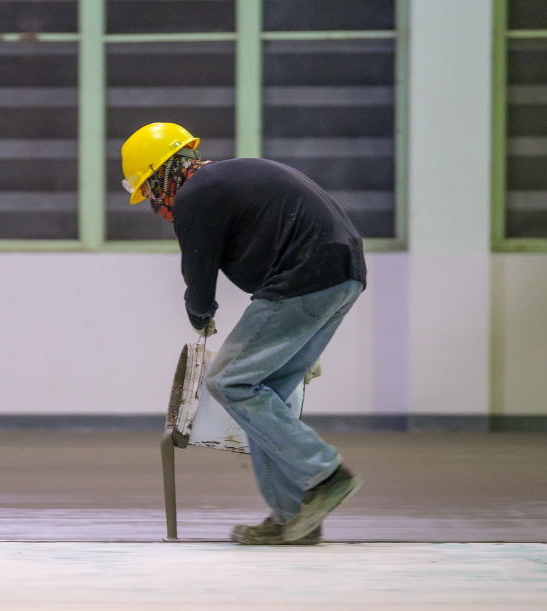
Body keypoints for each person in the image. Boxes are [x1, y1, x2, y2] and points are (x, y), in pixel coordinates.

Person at [121, 122, 365, 546]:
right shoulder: (224, 181)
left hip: (305, 279)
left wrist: (199, 314)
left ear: (161, 174)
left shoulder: (195, 194)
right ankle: (294, 519)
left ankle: (323, 472)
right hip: (341, 276)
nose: (156, 205)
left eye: (149, 190)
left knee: (228, 381)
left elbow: (198, 276)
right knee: (261, 394)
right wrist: (300, 329)